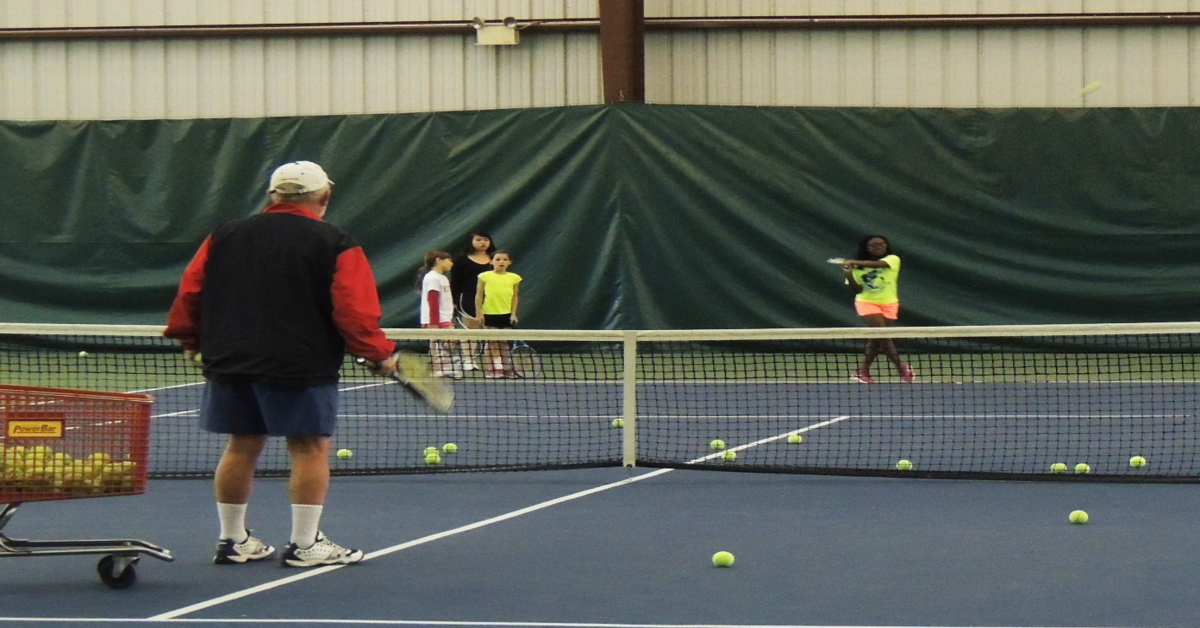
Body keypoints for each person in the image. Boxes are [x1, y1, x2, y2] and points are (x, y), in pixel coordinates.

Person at [164, 160, 398, 568]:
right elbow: (354, 310)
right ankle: (306, 545)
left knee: (240, 445)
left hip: (230, 359)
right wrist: (378, 353)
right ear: (324, 196)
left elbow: (191, 292)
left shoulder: (223, 236)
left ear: (273, 196)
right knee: (309, 448)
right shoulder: (337, 242)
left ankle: (233, 540)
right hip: (299, 363)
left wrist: (189, 340)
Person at [841, 235, 914, 384]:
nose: (878, 247)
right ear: (866, 248)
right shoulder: (856, 269)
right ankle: (901, 367)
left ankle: (862, 371)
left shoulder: (893, 259)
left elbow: (877, 265)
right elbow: (857, 290)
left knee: (877, 338)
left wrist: (853, 262)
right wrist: (849, 274)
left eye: (881, 244)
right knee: (883, 335)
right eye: (873, 245)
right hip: (866, 302)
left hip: (890, 303)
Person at [449, 231, 495, 371]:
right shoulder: (461, 261)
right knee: (470, 330)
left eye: (485, 239)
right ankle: (468, 360)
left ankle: (494, 362)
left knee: (493, 330)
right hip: (468, 298)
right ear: (471, 242)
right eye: (479, 239)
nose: (482, 242)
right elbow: (455, 282)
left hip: (492, 299)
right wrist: (454, 300)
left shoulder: (496, 259)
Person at [473, 250, 522, 378]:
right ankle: (491, 369)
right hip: (489, 313)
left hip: (506, 314)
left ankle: (507, 368)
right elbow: (479, 296)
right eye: (498, 259)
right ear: (491, 261)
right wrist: (479, 313)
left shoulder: (514, 278)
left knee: (504, 342)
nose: (501, 262)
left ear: (509, 262)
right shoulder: (484, 276)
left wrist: (513, 314)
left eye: (505, 259)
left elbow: (515, 297)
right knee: (491, 342)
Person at [417, 250, 459, 378]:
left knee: (448, 341)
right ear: (438, 260)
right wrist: (433, 322)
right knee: (440, 342)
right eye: (449, 260)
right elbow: (433, 300)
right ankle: (439, 368)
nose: (451, 263)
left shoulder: (443, 278)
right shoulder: (432, 278)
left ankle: (444, 366)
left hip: (445, 317)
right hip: (436, 318)